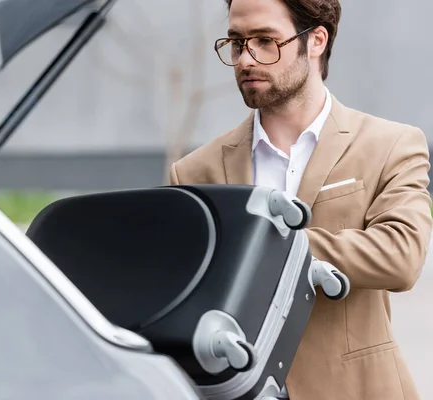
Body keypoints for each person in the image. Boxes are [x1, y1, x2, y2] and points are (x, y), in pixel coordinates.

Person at [168, 0, 432, 399]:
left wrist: (261, 244)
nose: (245, 59)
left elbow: (400, 255)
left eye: (265, 40)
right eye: (237, 43)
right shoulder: (192, 172)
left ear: (316, 41)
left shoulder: (392, 144)